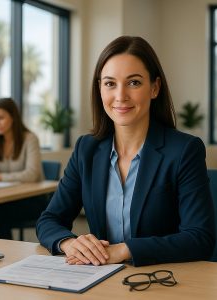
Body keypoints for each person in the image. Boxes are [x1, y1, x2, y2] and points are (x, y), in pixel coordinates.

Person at [36, 36, 216, 267]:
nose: (120, 96)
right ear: (100, 89)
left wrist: (124, 250)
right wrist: (69, 243)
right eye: (110, 83)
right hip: (99, 279)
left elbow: (199, 238)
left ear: (154, 87)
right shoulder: (86, 149)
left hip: (160, 280)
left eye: (134, 83)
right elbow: (49, 220)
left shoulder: (184, 150)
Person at [0, 97, 44, 238]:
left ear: (13, 117)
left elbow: (32, 174)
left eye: (1, 118)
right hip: (6, 199)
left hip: (33, 200)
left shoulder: (30, 139)